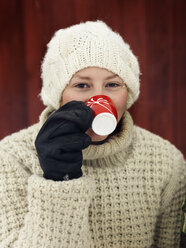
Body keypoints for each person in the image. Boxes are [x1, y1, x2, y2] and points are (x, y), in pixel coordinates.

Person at [0, 20, 186, 248]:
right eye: (82, 86)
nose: (98, 99)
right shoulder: (11, 157)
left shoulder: (165, 160)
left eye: (112, 85)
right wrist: (59, 182)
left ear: (127, 93)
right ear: (57, 96)